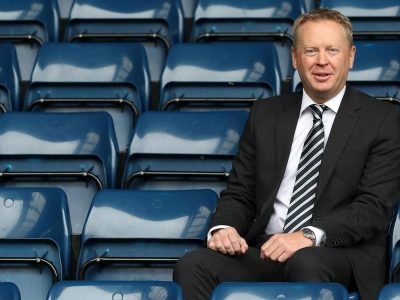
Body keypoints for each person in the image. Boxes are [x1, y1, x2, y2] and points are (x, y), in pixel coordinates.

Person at [173, 7, 400, 300]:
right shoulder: (266, 114)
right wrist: (225, 227)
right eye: (310, 51)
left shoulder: (383, 119)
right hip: (266, 250)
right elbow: (240, 191)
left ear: (351, 57)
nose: (322, 61)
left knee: (307, 261)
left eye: (332, 50)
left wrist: (306, 236)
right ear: (295, 58)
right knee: (193, 265)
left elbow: (373, 209)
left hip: (336, 254)